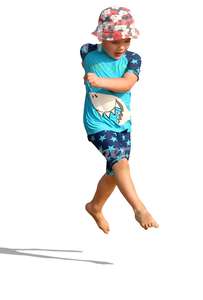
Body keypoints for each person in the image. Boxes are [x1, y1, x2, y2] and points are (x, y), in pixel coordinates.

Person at [80, 7, 159, 234]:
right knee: (121, 164)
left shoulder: (132, 59)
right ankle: (139, 208)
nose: (122, 47)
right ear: (103, 37)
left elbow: (126, 84)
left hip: (122, 124)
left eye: (126, 40)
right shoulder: (87, 51)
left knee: (116, 172)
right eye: (115, 42)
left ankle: (95, 206)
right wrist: (88, 77)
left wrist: (98, 81)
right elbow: (89, 63)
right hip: (97, 124)